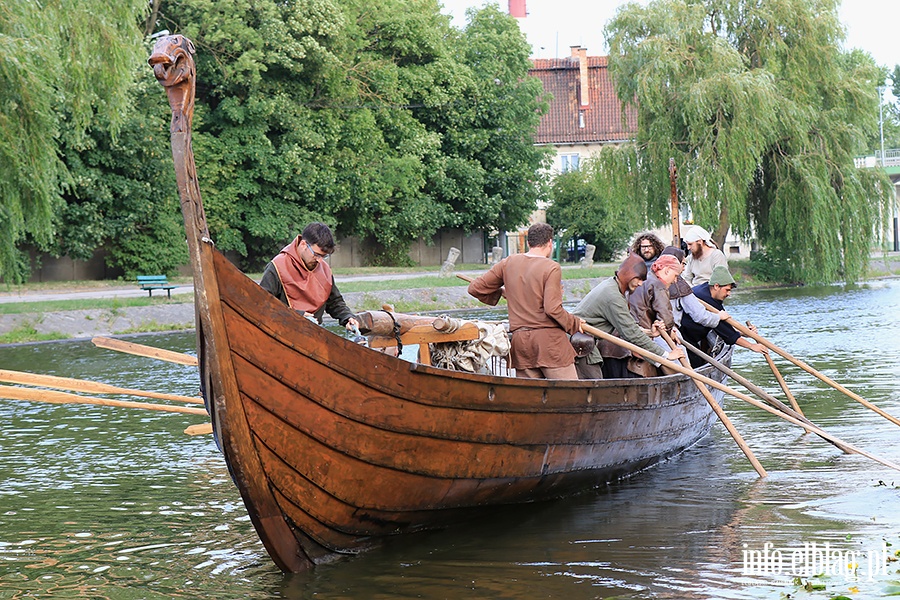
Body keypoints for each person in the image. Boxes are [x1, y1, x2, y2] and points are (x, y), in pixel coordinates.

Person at [467, 223, 584, 380]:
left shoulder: (507, 263)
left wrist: (500, 292)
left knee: (532, 400)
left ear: (529, 243)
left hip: (521, 344)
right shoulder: (552, 267)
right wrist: (574, 323)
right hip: (550, 344)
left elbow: (475, 288)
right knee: (570, 396)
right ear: (550, 243)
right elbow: (552, 309)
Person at [572, 253, 684, 379]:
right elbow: (631, 334)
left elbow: (628, 325)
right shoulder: (613, 296)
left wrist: (650, 333)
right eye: (639, 279)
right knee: (594, 388)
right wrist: (666, 355)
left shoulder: (614, 287)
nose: (641, 284)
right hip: (579, 343)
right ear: (629, 275)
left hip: (586, 343)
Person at [259, 222, 359, 331]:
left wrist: (348, 318)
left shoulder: (323, 268)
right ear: (303, 245)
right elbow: (263, 304)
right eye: (316, 254)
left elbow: (335, 303)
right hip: (282, 333)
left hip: (314, 334)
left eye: (324, 256)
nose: (319, 260)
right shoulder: (277, 266)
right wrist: (297, 315)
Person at [680, 265, 767, 367]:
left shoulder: (706, 290)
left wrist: (745, 333)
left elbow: (726, 325)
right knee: (696, 366)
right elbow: (729, 335)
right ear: (716, 286)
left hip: (691, 337)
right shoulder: (706, 300)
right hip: (684, 339)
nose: (729, 294)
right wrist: (752, 346)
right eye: (727, 290)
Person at [662, 246, 729, 334]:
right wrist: (718, 317)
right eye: (683, 264)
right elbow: (700, 315)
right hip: (669, 331)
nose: (684, 268)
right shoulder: (680, 286)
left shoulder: (650, 279)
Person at [629, 253, 683, 361]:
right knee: (679, 356)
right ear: (667, 270)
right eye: (676, 275)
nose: (675, 281)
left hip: (631, 331)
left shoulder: (647, 279)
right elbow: (665, 317)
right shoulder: (658, 285)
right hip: (640, 335)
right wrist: (669, 329)